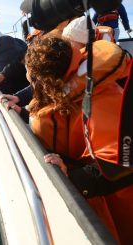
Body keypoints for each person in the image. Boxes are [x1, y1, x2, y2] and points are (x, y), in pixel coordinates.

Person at [25, 35, 133, 244]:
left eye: (31, 77)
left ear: (46, 80)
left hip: (123, 204)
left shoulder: (99, 102)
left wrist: (72, 177)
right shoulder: (73, 84)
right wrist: (22, 108)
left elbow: (122, 165)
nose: (28, 79)